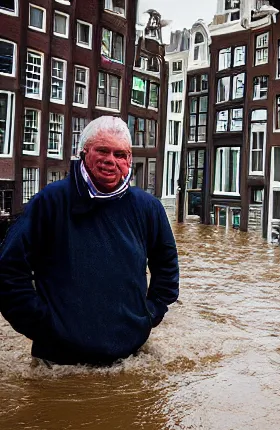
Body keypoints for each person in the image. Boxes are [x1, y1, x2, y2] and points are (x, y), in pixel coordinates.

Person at [0, 116, 179, 366]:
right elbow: (8, 269)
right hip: (59, 362)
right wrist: (41, 324)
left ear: (129, 160)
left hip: (128, 357)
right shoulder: (49, 202)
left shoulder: (148, 207)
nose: (110, 160)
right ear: (84, 153)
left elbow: (167, 264)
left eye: (120, 154)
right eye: (102, 151)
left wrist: (150, 313)